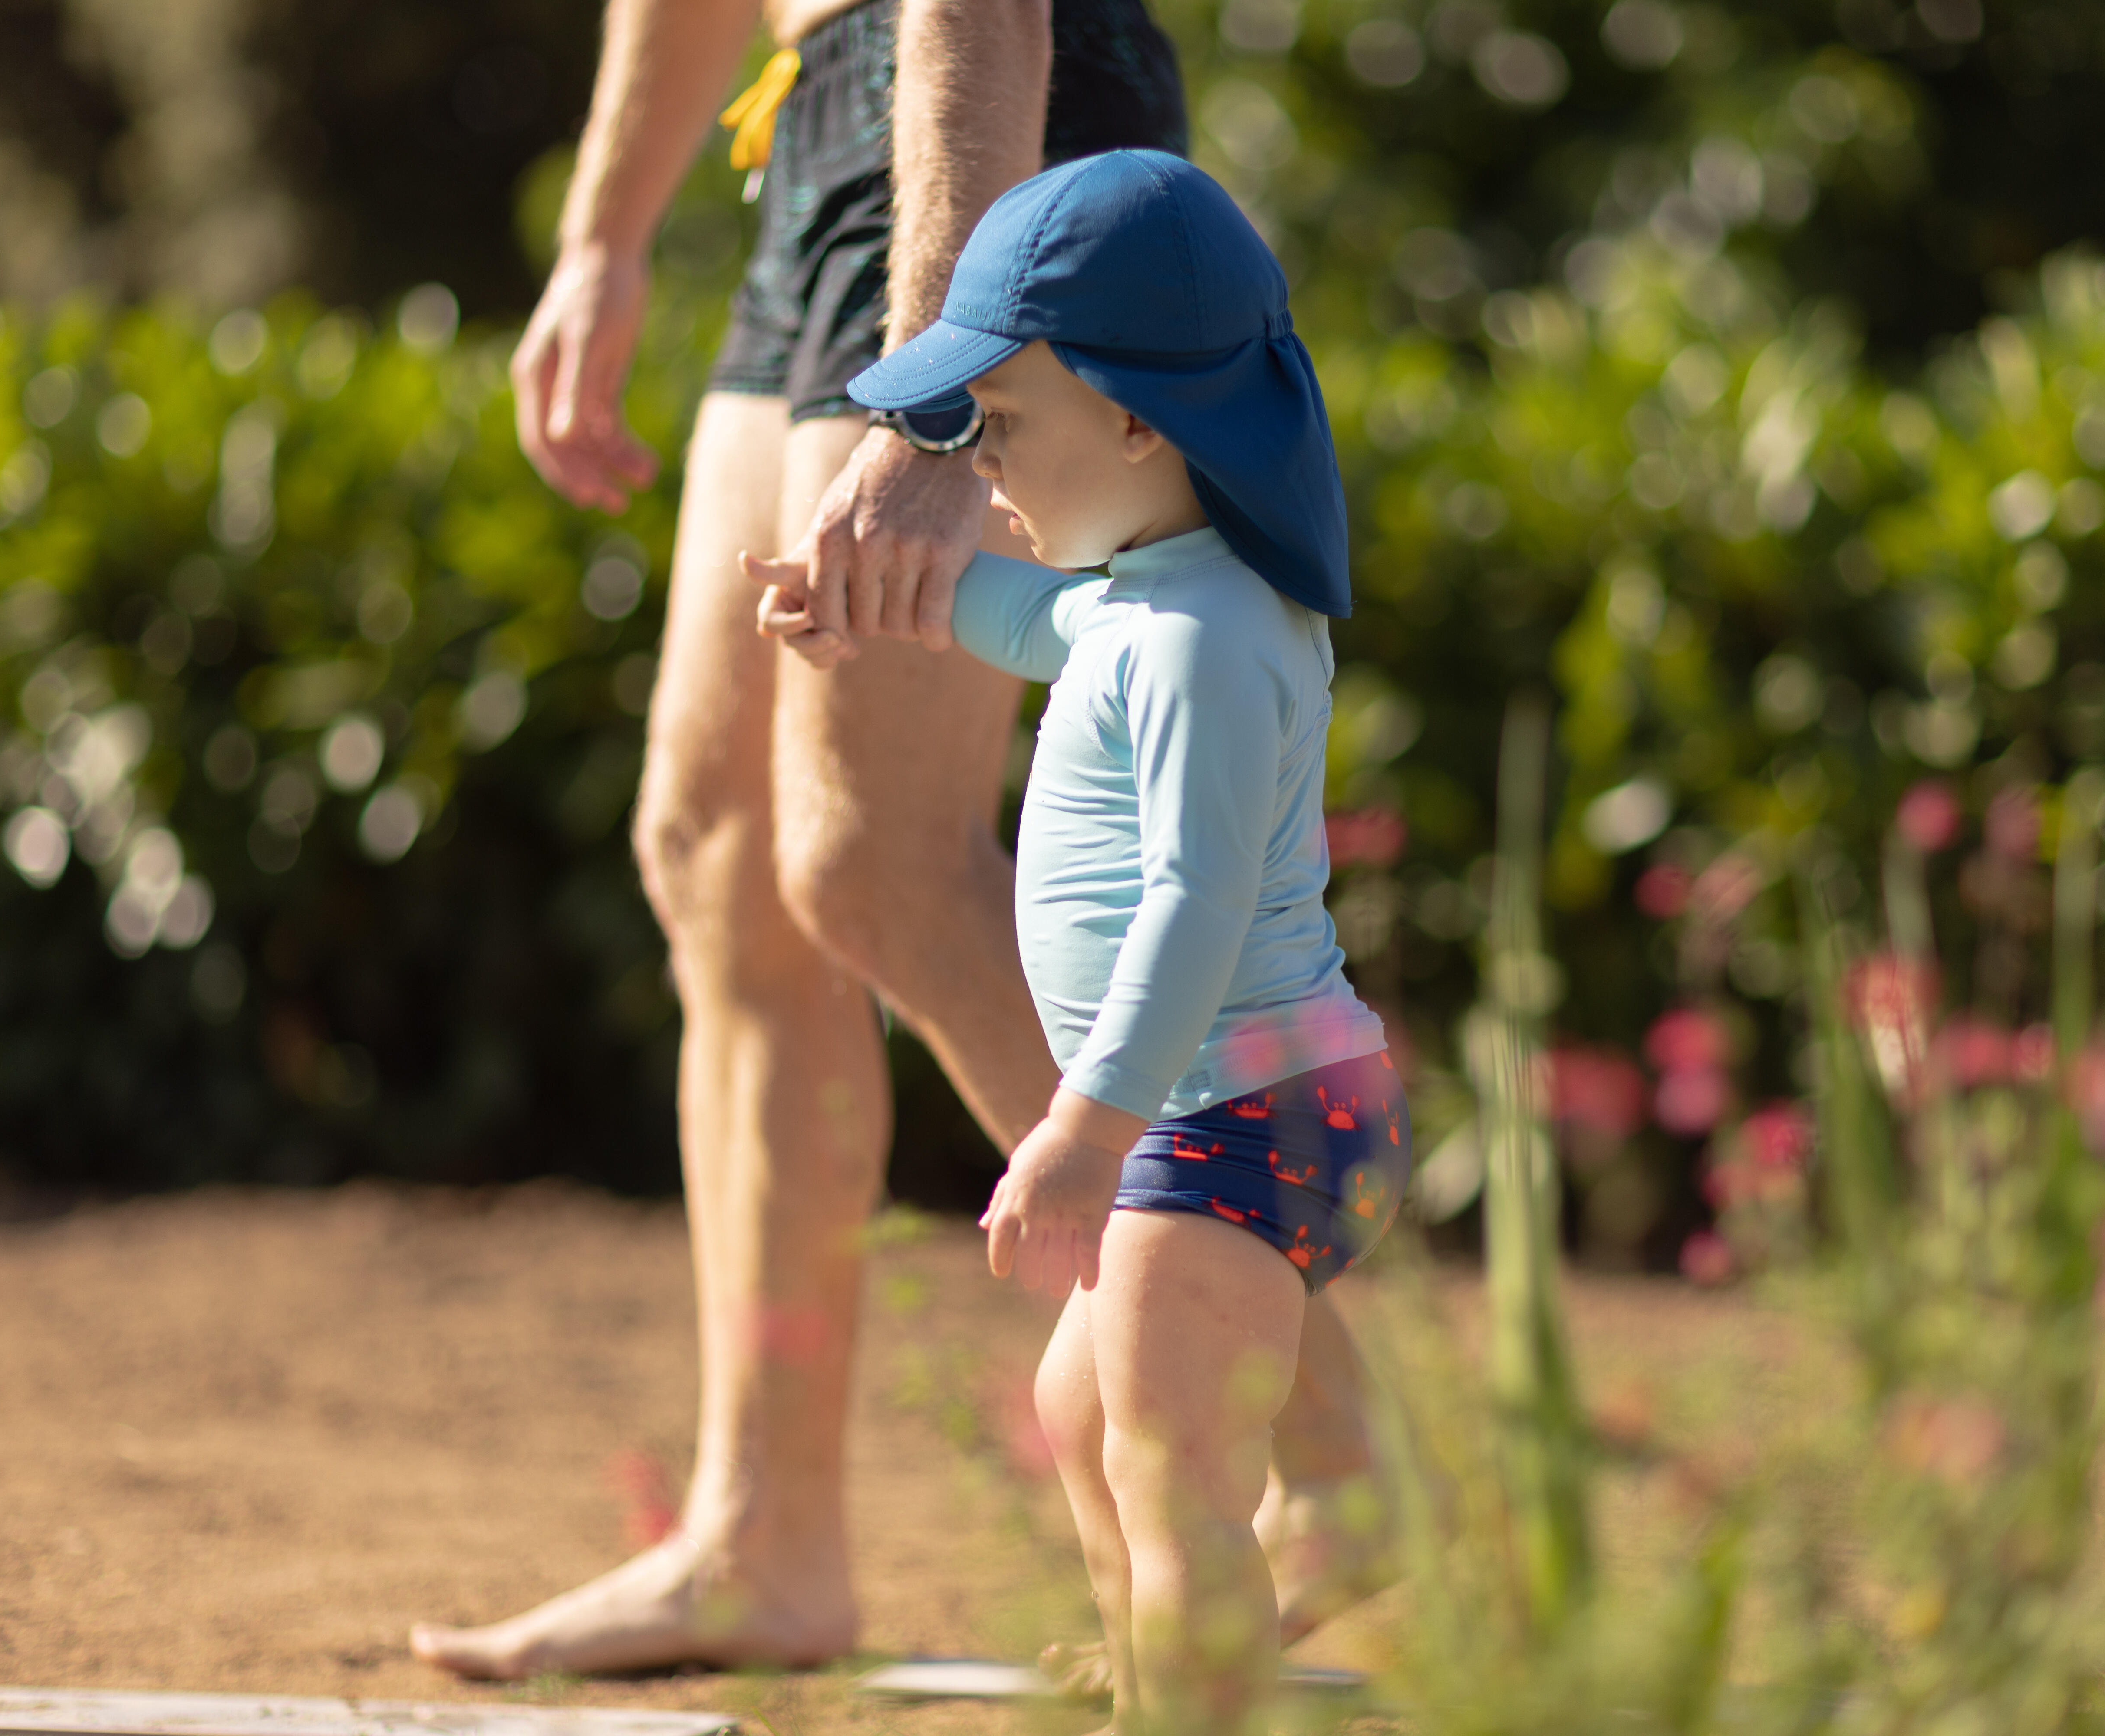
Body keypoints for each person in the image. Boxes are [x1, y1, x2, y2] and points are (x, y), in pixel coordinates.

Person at [408, 0, 1390, 1684]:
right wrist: (605, 234)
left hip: (975, 112)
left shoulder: (1209, 632)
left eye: (996, 425)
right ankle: (761, 1538)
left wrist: (940, 409)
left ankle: (1327, 1450)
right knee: (719, 855)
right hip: (810, 122)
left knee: (871, 856)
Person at [758, 148, 1410, 1733]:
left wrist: (1084, 1127)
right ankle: (1152, 1674)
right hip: (1227, 1104)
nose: (978, 462)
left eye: (1001, 420)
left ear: (1138, 421)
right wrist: (860, 606)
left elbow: (1195, 900)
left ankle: (1193, 1704)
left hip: (1235, 1105)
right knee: (1088, 1404)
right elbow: (1005, 615)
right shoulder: (1147, 599)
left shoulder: (1204, 642)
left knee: (1175, 1452)